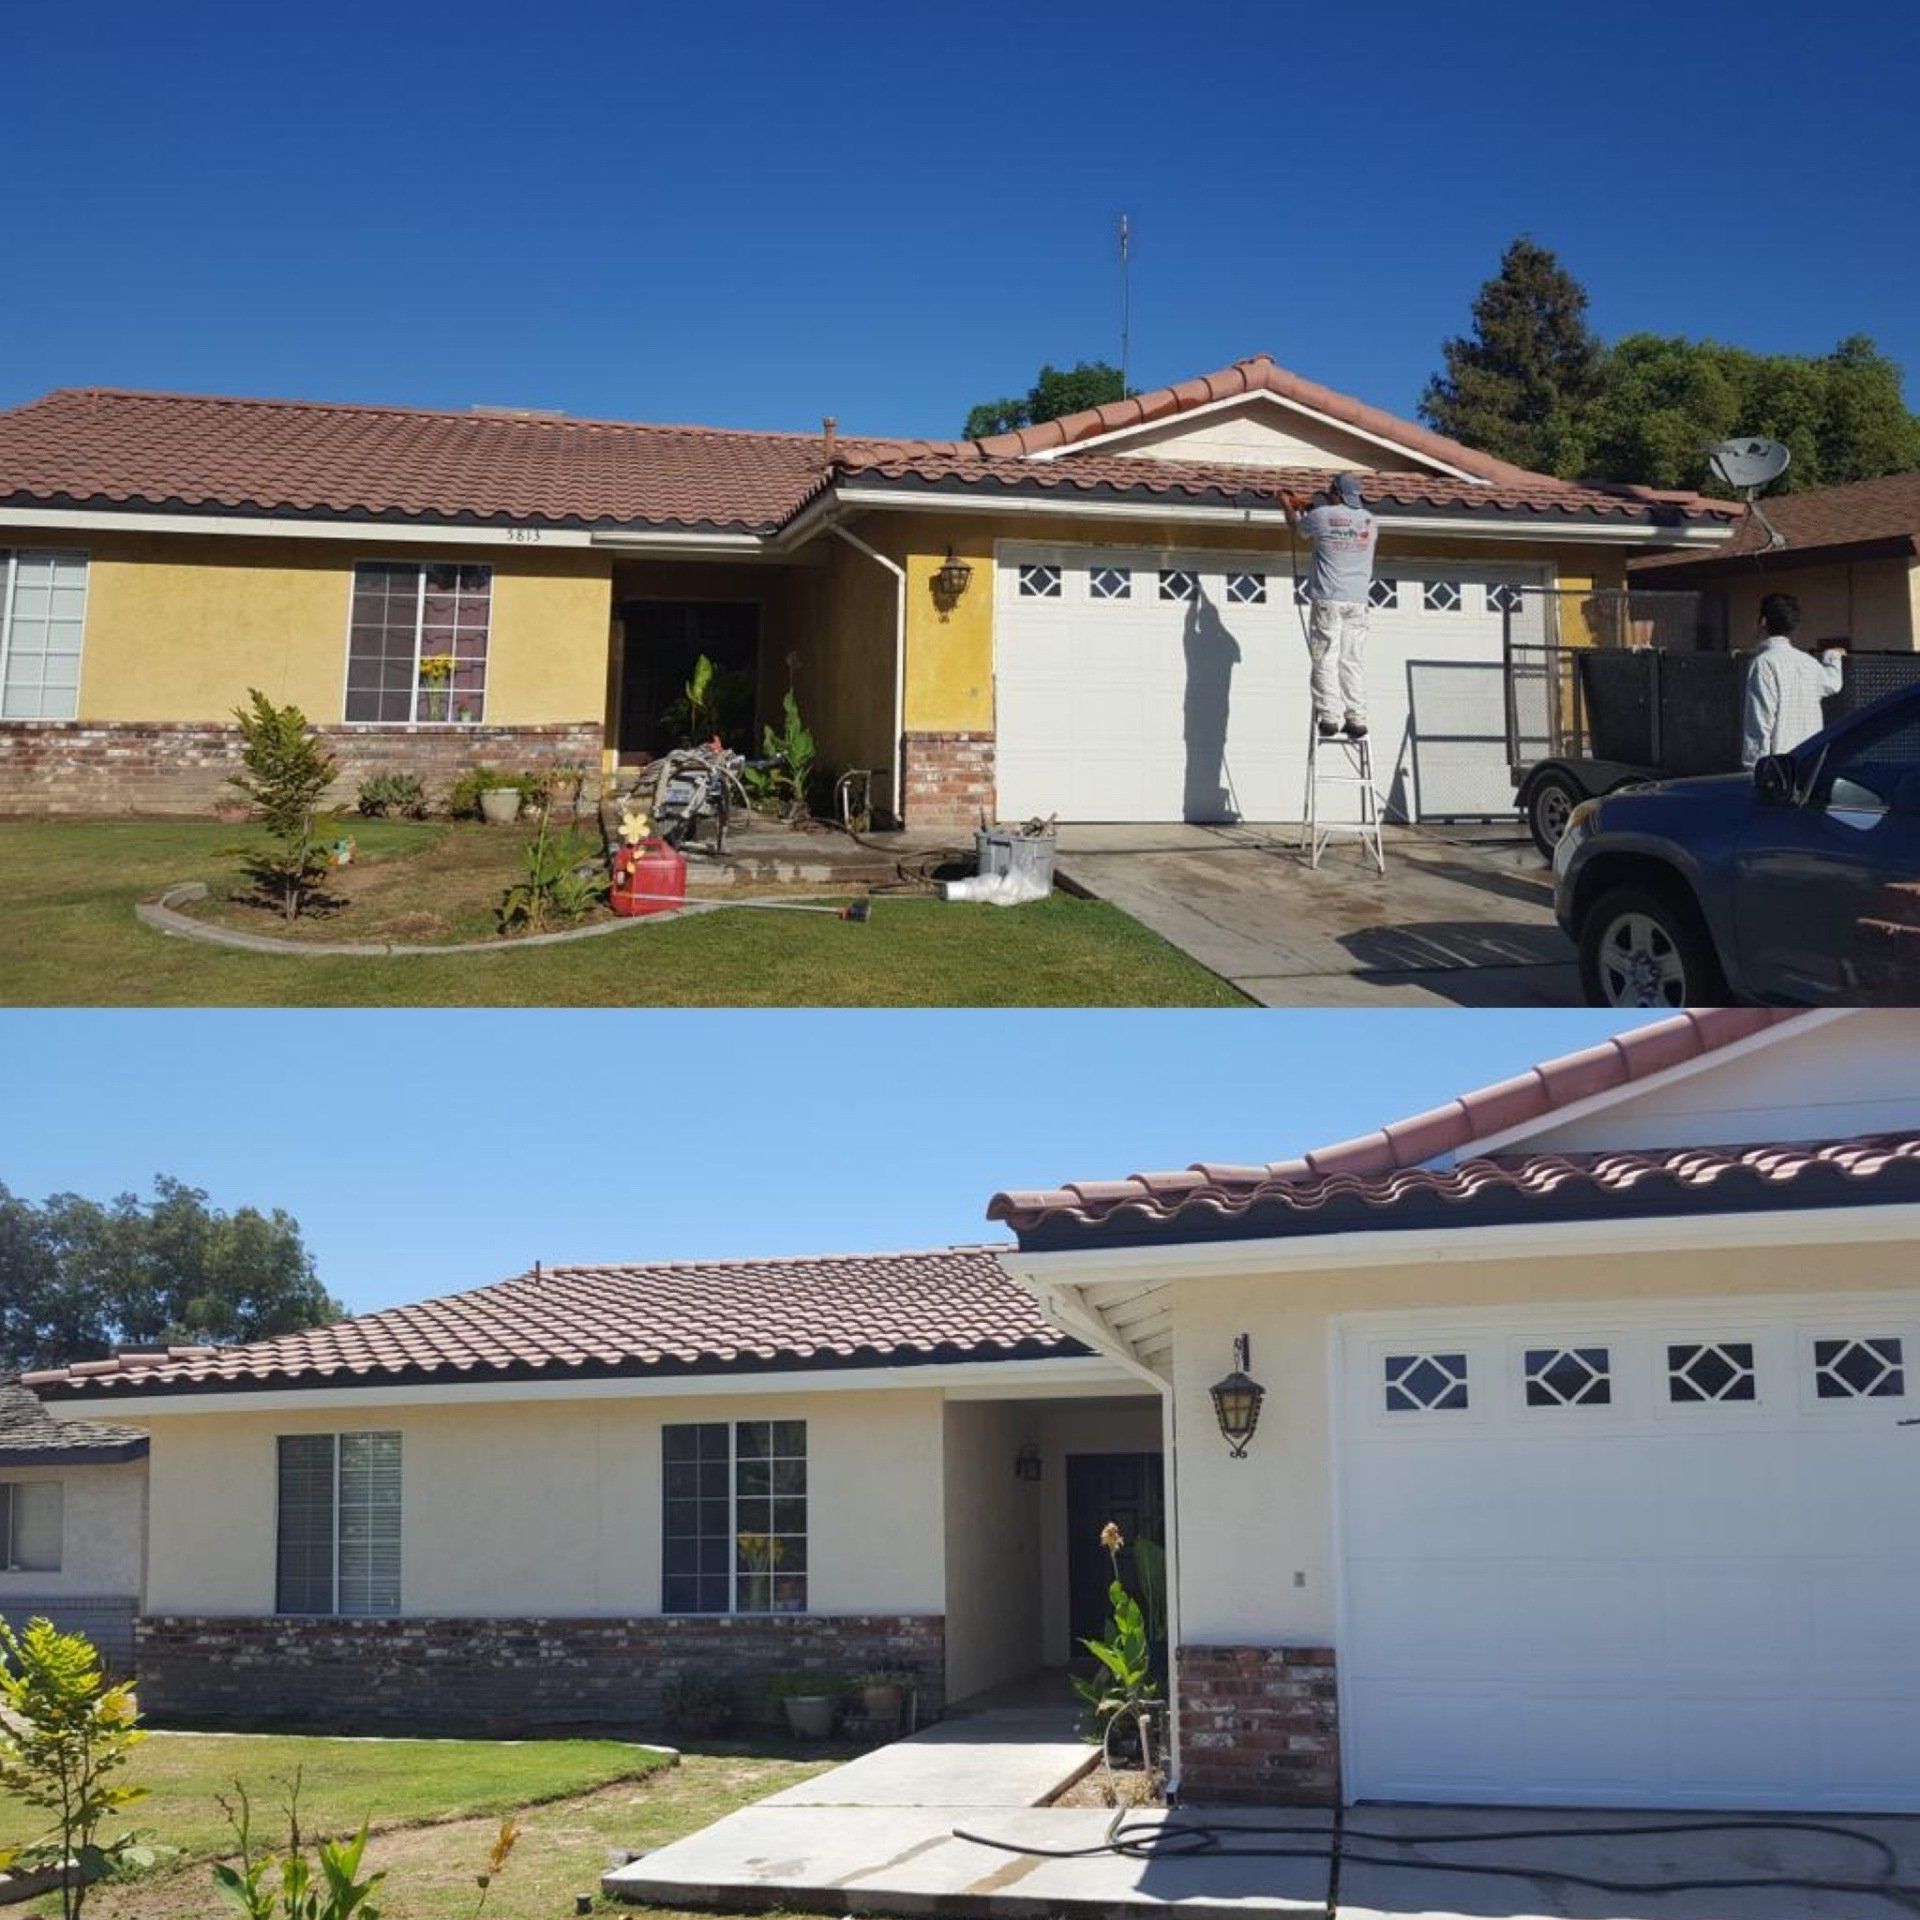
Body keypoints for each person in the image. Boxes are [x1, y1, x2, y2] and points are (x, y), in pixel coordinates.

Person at [1281, 473, 1378, 740]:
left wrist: (1287, 504)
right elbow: (1341, 526)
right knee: (1351, 661)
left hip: (1328, 601)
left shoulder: (1321, 516)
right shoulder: (1370, 521)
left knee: (1324, 656)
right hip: (1358, 601)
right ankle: (1357, 719)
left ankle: (1329, 718)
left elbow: (1297, 528)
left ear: (1335, 492)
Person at [1740, 592, 1845, 766]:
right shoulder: (1808, 663)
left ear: (1763, 622)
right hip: (1810, 765)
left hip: (1779, 769)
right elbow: (1833, 683)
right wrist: (1833, 657)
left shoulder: (1764, 663)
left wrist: (1754, 768)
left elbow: (1760, 723)